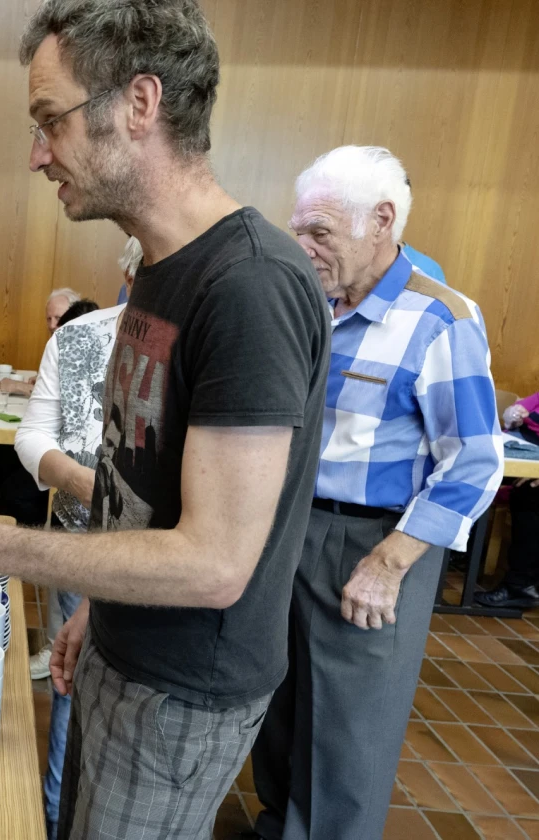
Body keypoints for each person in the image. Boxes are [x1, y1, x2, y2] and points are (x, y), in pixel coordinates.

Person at [0, 2, 331, 837]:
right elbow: (139, 485)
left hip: (184, 687)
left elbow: (216, 565)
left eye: (50, 121)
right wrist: (98, 611)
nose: (39, 154)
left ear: (139, 104)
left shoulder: (249, 286)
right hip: (123, 641)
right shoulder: (159, 266)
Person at [247, 145, 504, 840]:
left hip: (373, 542)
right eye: (298, 229)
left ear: (383, 221)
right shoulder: (315, 302)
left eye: (320, 232)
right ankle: (278, 827)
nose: (302, 246)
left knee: (348, 732)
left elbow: (477, 463)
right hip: (290, 527)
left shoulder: (439, 320)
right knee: (281, 704)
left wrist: (388, 563)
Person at [16, 278, 131, 837]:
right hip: (80, 536)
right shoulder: (80, 335)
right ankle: (58, 815)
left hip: (167, 557)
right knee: (72, 681)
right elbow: (31, 437)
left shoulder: (216, 332)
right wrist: (86, 485)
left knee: (130, 697)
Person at [474, 391, 539, 608]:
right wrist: (514, 415)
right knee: (471, 471)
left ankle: (521, 586)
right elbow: (518, 411)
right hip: (523, 449)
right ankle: (460, 549)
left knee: (530, 493)